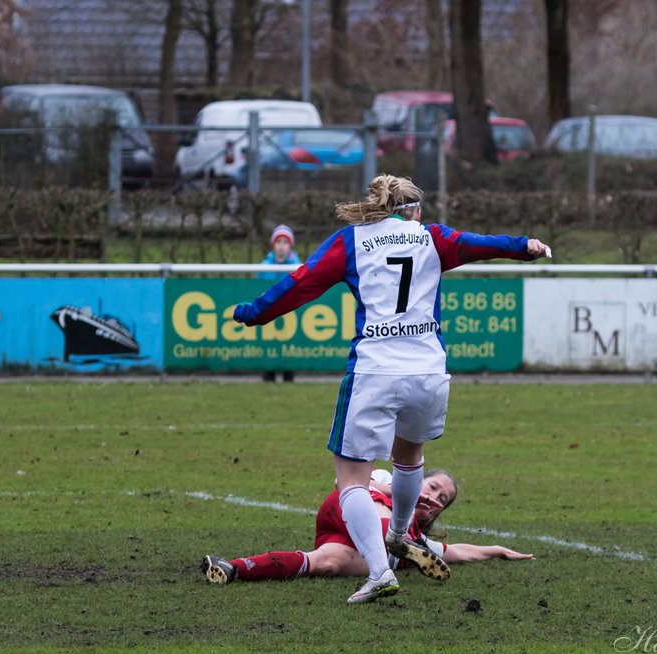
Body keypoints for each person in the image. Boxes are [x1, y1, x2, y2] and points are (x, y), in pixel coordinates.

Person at [232, 174, 550, 604]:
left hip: (375, 369)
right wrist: (523, 246)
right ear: (415, 210)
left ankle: (380, 571)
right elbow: (480, 243)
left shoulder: (352, 240)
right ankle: (400, 534)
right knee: (409, 457)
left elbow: (299, 284)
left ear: (377, 206)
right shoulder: (431, 237)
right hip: (428, 371)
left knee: (352, 479)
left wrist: (253, 313)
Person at [200, 468, 533, 584]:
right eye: (432, 487)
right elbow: (342, 481)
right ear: (416, 477)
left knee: (326, 563)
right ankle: (394, 543)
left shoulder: (420, 533)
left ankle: (232, 569)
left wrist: (498, 551)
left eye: (442, 499)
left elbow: (457, 551)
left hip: (344, 541)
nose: (434, 498)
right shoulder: (387, 481)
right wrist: (393, 490)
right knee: (384, 518)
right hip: (347, 510)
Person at [257, 224, 301, 383]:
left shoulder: (298, 267)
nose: (281, 246)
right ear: (273, 244)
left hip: (289, 314)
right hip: (269, 312)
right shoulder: (264, 267)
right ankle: (268, 375)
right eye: (278, 241)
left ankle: (289, 375)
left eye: (285, 242)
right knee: (269, 342)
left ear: (290, 245)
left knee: (289, 342)